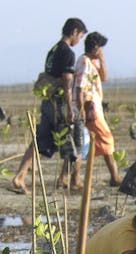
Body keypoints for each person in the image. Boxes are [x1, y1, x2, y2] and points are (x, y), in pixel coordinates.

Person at [11, 18, 87, 195]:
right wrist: (70, 108)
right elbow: (67, 82)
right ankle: (68, 178)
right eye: (80, 36)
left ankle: (20, 176)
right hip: (60, 103)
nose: (79, 40)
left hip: (47, 103)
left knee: (39, 141)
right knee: (75, 137)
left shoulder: (53, 50)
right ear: (74, 32)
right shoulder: (67, 52)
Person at [74, 31, 121, 187]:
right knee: (104, 138)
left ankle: (72, 177)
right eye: (100, 48)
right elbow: (80, 87)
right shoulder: (84, 62)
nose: (101, 51)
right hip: (89, 108)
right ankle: (114, 177)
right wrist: (81, 110)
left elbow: (103, 77)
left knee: (83, 142)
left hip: (94, 107)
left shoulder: (92, 62)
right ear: (95, 47)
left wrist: (101, 58)